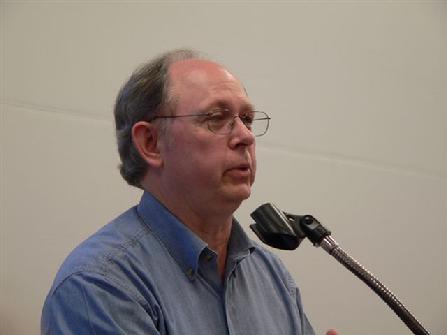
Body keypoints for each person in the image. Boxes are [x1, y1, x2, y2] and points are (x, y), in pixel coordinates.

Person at [41, 49, 338, 335]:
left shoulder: (271, 276)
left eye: (246, 119)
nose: (246, 136)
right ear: (151, 143)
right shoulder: (99, 284)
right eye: (216, 117)